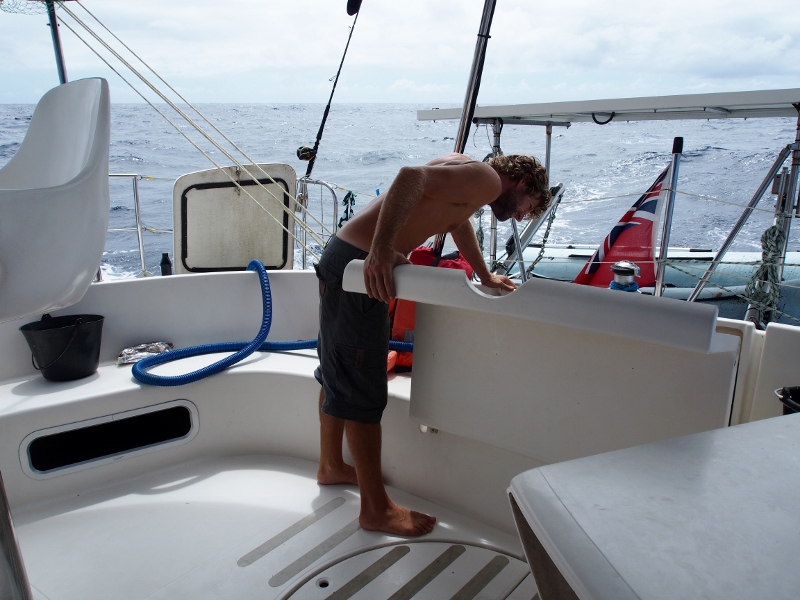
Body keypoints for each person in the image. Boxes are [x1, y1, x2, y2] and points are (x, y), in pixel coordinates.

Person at [313, 152, 550, 536]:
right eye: (529, 207)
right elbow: (409, 177)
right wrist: (380, 251)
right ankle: (376, 510)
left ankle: (331, 466)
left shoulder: (468, 176)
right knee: (361, 386)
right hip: (360, 263)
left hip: (345, 257)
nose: (522, 218)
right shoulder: (487, 179)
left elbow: (458, 224)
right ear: (523, 183)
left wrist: (486, 274)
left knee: (338, 371)